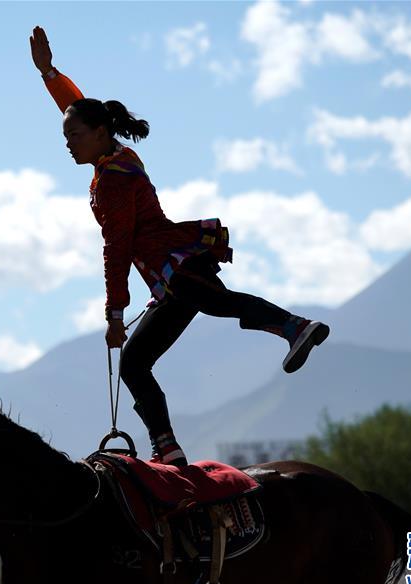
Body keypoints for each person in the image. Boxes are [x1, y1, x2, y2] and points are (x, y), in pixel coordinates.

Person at [29, 26, 329, 466]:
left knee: (217, 303)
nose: (67, 143)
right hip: (168, 277)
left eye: (72, 136)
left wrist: (115, 313)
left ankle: (293, 326)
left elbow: (116, 245)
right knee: (135, 362)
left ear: (97, 133)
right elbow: (79, 110)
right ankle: (167, 448)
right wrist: (49, 74)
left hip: (173, 265)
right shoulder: (112, 155)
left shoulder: (113, 177)